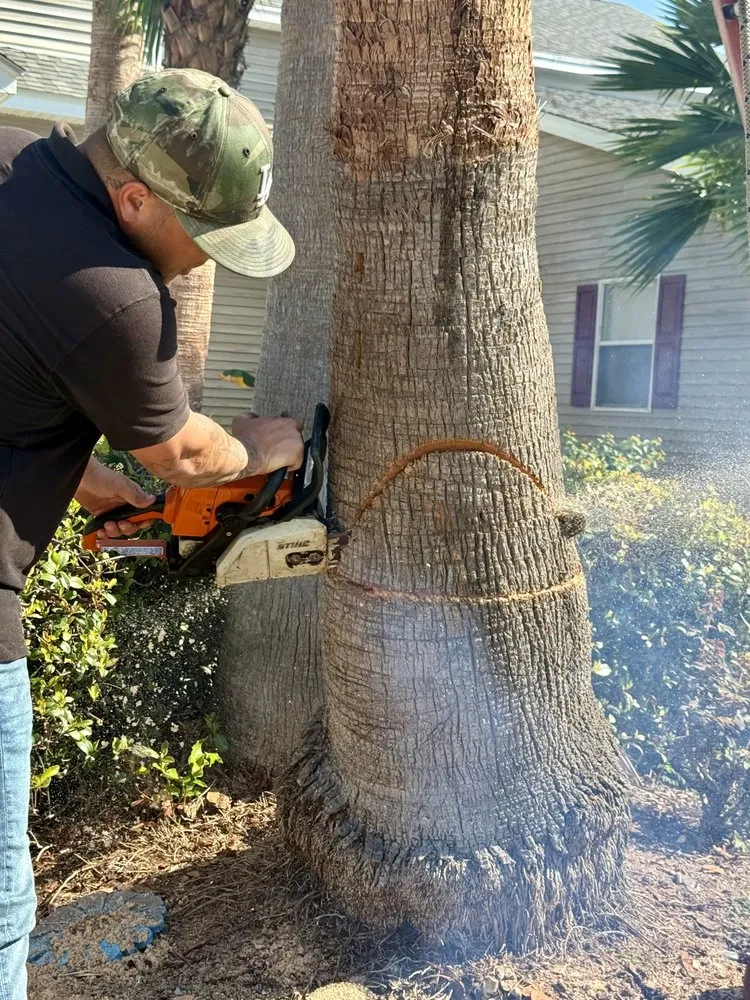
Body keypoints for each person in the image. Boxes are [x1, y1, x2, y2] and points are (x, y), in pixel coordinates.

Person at [0, 68, 304, 998]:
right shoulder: (119, 297)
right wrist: (264, 447)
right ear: (134, 199)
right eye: (200, 237)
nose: (204, 262)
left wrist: (92, 486)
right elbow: (181, 455)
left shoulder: (13, 168)